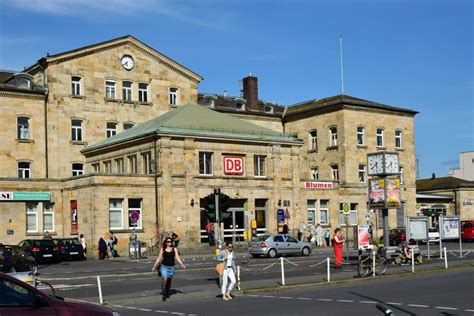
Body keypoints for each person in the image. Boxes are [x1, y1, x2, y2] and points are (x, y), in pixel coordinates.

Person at [152, 237, 185, 301]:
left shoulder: (174, 249)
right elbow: (159, 258)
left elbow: (177, 257)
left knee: (169, 281)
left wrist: (181, 264)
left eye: (170, 241)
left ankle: (167, 293)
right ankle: (164, 295)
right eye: (168, 241)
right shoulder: (162, 249)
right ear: (166, 242)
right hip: (164, 266)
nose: (169, 242)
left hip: (172, 267)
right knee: (165, 279)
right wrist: (154, 266)